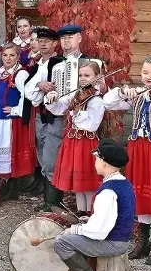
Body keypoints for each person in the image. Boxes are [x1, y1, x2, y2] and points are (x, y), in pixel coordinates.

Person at [103, 55, 151, 265]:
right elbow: (106, 102)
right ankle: (142, 243)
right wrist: (121, 91)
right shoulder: (137, 94)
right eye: (145, 72)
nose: (148, 77)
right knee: (141, 194)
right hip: (138, 149)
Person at [53, 138, 134, 271]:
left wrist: (74, 229)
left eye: (97, 158)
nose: (95, 162)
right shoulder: (124, 183)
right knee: (76, 232)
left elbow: (98, 232)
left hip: (113, 243)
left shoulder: (108, 191)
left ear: (104, 163)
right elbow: (112, 217)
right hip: (119, 239)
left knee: (61, 242)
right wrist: (89, 221)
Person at [45, 60, 106, 215]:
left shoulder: (97, 100)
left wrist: (77, 112)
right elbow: (59, 108)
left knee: (88, 184)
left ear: (97, 77)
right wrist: (52, 99)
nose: (83, 78)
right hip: (72, 142)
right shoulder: (76, 95)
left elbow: (91, 125)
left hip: (86, 144)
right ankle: (81, 212)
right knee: (78, 185)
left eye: (87, 75)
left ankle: (90, 214)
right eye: (80, 75)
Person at [0, 43, 33, 208]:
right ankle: (1, 187)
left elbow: (26, 97)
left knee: (4, 153)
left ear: (18, 56)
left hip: (7, 120)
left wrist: (15, 109)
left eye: (12, 55)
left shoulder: (21, 73)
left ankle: (1, 188)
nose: (8, 58)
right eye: (5, 55)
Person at [24, 27, 65, 211]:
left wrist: (41, 87)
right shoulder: (38, 64)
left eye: (47, 40)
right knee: (43, 159)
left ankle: (53, 205)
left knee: (50, 161)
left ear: (55, 43)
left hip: (55, 117)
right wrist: (40, 85)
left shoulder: (60, 64)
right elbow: (29, 92)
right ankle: (49, 203)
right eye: (40, 40)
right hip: (40, 115)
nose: (42, 43)